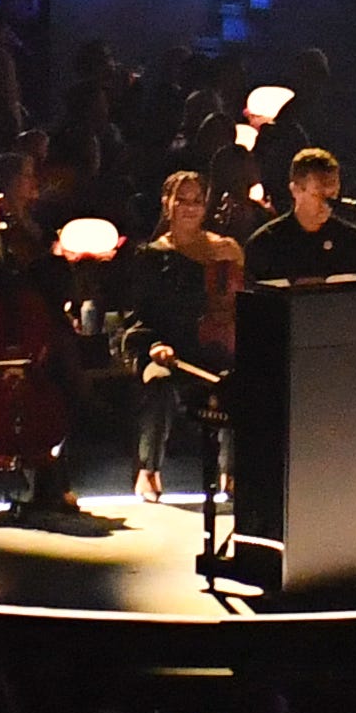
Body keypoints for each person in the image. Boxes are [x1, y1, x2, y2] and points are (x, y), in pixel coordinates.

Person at [117, 171, 242, 502]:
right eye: (182, 200)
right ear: (167, 204)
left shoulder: (223, 249)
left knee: (238, 379)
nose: (190, 207)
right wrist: (155, 345)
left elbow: (236, 305)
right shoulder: (151, 256)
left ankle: (231, 473)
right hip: (166, 347)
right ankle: (148, 470)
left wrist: (234, 262)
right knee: (158, 381)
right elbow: (139, 316)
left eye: (197, 201)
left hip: (212, 347)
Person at [242, 147, 356, 284]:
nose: (327, 204)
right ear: (295, 190)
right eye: (318, 195)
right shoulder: (265, 245)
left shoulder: (355, 243)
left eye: (333, 195)